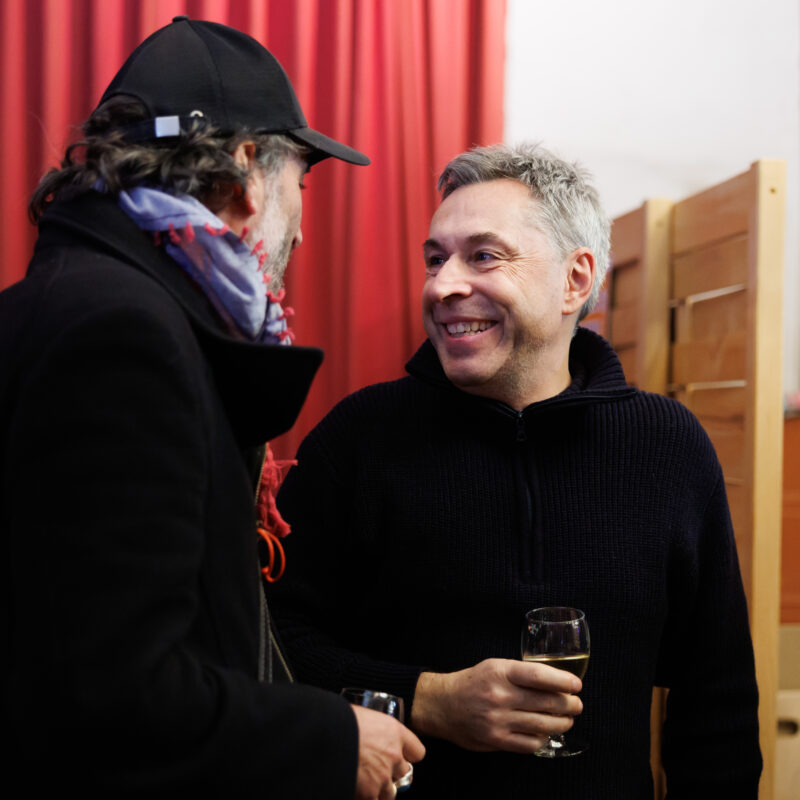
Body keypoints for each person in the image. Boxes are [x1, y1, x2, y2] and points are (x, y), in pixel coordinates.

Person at [0, 17, 423, 799]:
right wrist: (333, 739)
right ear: (246, 170)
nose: (302, 228)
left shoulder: (88, 299)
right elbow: (109, 697)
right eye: (302, 183)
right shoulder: (121, 334)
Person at [271, 143, 763, 798]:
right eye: (435, 259)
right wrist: (427, 698)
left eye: (483, 256)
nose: (442, 285)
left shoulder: (669, 447)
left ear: (575, 280)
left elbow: (716, 702)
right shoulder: (357, 438)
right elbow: (269, 641)